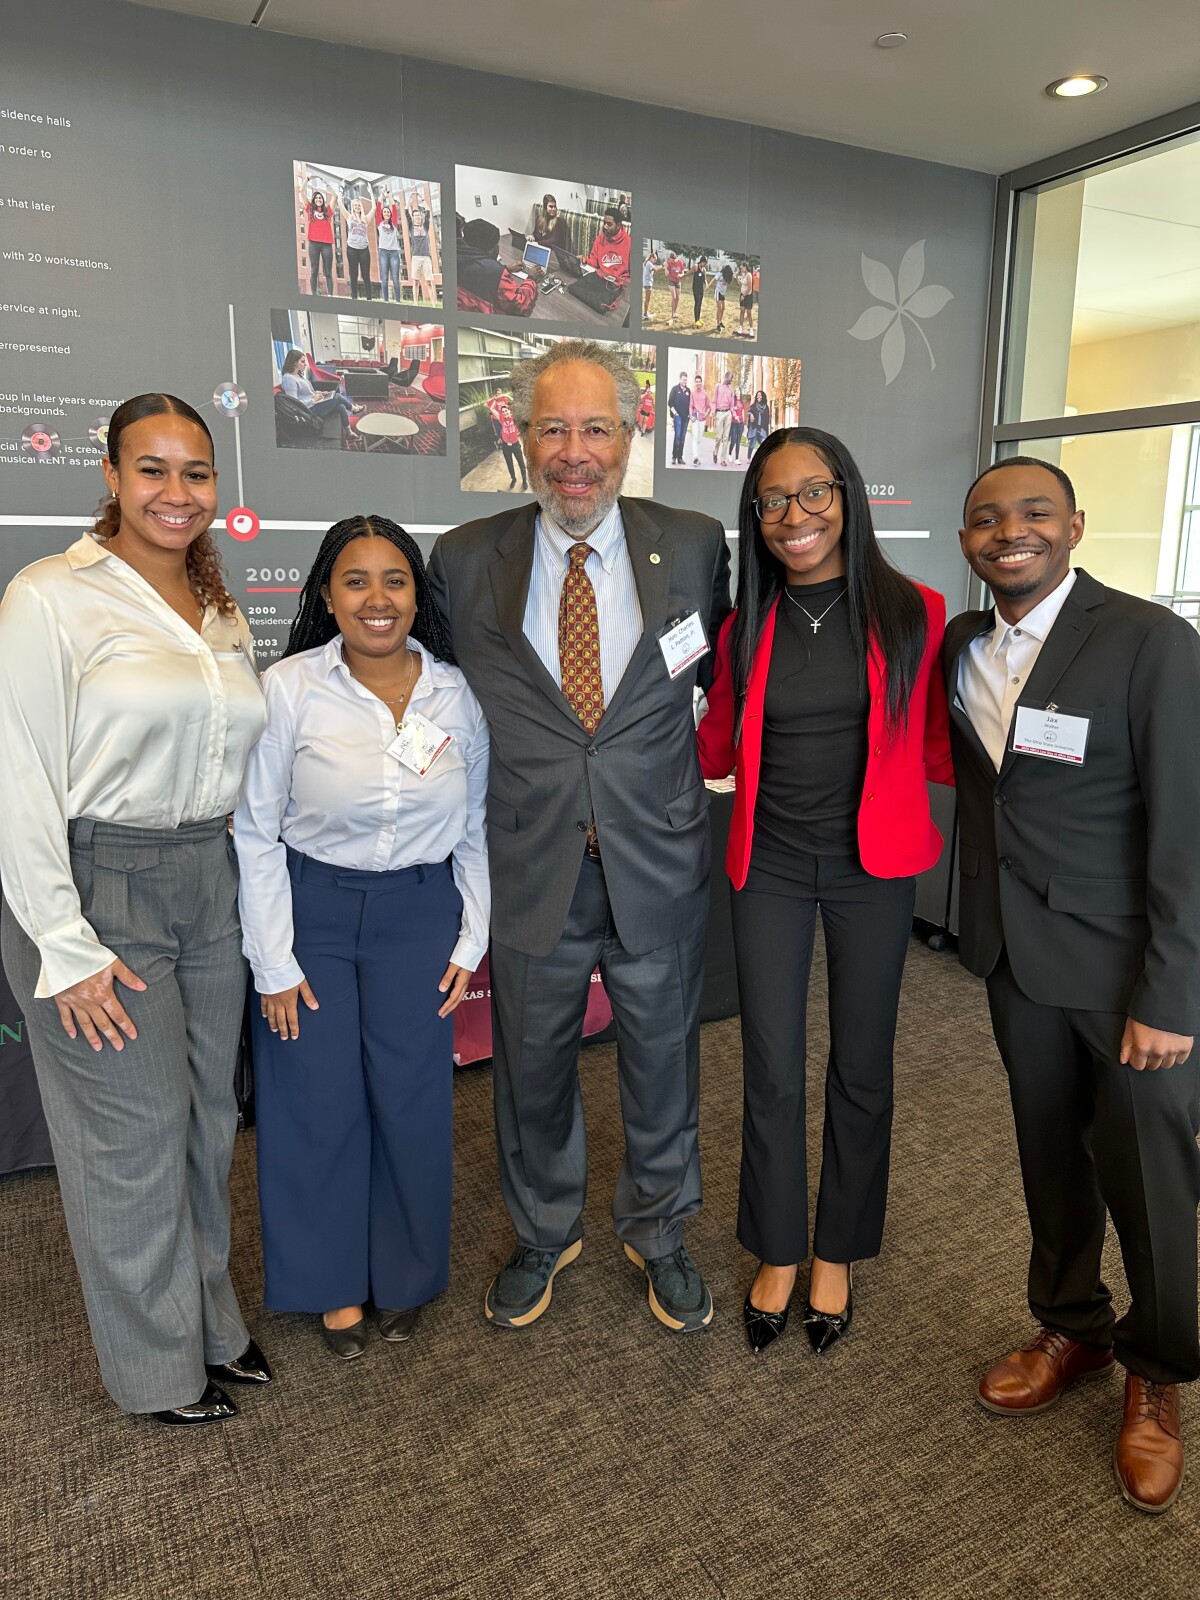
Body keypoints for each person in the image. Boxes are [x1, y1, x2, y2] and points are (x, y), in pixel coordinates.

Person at [428, 338, 732, 1335]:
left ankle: (660, 1230)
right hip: (532, 861)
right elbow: (442, 700)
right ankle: (544, 1229)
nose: (574, 452)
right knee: (533, 1069)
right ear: (521, 436)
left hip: (657, 858)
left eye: (595, 427)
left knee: (664, 1064)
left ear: (631, 435)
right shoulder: (464, 559)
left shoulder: (695, 544)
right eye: (552, 428)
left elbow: (714, 677)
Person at [0, 393, 272, 1424]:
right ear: (111, 476)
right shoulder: (49, 596)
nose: (176, 491)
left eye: (195, 471)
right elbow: (17, 775)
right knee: (132, 1137)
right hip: (98, 883)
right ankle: (155, 1370)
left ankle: (210, 1325)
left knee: (207, 1121)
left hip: (209, 878)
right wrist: (62, 945)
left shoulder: (217, 605)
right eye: (151, 469)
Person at [945, 456, 1200, 1516]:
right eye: (986, 518)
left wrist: (1174, 993)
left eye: (1035, 512)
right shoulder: (965, 647)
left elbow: (1188, 827)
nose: (1011, 531)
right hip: (1017, 959)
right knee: (1050, 1156)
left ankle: (1160, 1369)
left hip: (1131, 973)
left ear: (1076, 525)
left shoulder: (1150, 641)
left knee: (1151, 1179)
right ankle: (1072, 1325)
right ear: (967, 540)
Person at [697, 426, 952, 1356]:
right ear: (755, 515)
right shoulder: (747, 625)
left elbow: (937, 735)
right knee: (769, 1063)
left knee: (863, 1063)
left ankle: (836, 1247)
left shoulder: (914, 611)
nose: (794, 515)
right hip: (768, 864)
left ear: (846, 494)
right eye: (773, 500)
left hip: (871, 868)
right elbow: (717, 741)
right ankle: (776, 1247)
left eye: (813, 492)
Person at [234, 517, 488, 1361]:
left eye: (395, 580)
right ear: (326, 595)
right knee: (315, 1099)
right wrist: (273, 961)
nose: (377, 599)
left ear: (418, 594)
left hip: (419, 915)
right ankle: (331, 1281)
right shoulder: (290, 688)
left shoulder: (457, 694)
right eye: (356, 580)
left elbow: (476, 826)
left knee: (412, 1101)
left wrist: (471, 939)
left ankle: (406, 1275)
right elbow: (255, 831)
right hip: (311, 913)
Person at [456, 218, 537, 317]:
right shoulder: (494, 272)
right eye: (497, 244)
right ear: (491, 249)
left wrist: (506, 269)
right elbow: (520, 305)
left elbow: (479, 274)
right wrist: (532, 278)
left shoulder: (457, 256)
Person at [279, 349, 360, 435]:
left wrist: (319, 393)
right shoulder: (288, 379)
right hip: (308, 410)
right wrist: (313, 400)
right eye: (302, 362)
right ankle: (353, 409)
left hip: (313, 404)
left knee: (340, 406)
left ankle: (349, 432)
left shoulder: (298, 375)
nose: (305, 364)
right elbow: (294, 405)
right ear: (295, 363)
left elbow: (307, 393)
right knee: (337, 397)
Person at [486, 391, 528, 489]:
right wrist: (496, 399)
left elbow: (518, 406)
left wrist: (506, 395)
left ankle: (524, 480)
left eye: (506, 411)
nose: (505, 413)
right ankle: (513, 479)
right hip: (506, 446)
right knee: (509, 463)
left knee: (521, 464)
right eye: (503, 412)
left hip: (515, 445)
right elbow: (491, 409)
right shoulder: (501, 418)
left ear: (510, 411)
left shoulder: (515, 418)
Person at [337, 191, 374, 300]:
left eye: (358, 205)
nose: (357, 207)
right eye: (355, 205)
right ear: (352, 207)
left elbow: (374, 208)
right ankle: (354, 297)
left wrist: (371, 192)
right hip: (352, 249)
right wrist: (341, 190)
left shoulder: (365, 219)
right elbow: (339, 202)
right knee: (353, 274)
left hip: (364, 249)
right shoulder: (349, 217)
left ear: (361, 207)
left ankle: (369, 298)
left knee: (366, 274)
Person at [584, 208, 632, 287]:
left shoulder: (629, 243)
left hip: (619, 285)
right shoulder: (600, 238)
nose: (605, 227)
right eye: (604, 223)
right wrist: (585, 260)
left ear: (618, 225)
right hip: (600, 280)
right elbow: (594, 262)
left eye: (609, 224)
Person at [304, 188, 336, 296]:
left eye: (320, 198)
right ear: (314, 200)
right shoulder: (310, 209)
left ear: (323, 200)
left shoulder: (328, 211)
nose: (318, 199)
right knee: (314, 270)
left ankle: (330, 295)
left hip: (327, 245)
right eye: (316, 198)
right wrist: (307, 180)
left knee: (328, 272)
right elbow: (302, 191)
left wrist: (328, 185)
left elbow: (335, 196)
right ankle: (314, 295)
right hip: (313, 244)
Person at [406, 198, 436, 306]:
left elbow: (428, 212)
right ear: (413, 218)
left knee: (429, 282)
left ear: (421, 216)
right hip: (416, 257)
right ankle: (415, 303)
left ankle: (433, 304)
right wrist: (410, 198)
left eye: (419, 215)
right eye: (415, 215)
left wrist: (423, 199)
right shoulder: (411, 226)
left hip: (426, 257)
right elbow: (406, 211)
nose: (418, 216)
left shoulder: (425, 226)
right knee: (415, 281)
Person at [376, 196, 403, 303]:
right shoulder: (380, 223)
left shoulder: (394, 224)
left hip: (394, 253)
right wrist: (382, 194)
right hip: (383, 252)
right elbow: (378, 207)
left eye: (388, 212)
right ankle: (386, 300)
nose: (386, 213)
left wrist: (389, 195)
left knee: (395, 278)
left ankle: (398, 301)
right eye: (385, 212)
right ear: (382, 214)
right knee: (384, 278)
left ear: (390, 214)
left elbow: (394, 208)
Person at [711, 370, 735, 466]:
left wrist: (734, 414)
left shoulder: (731, 390)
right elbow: (714, 401)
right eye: (730, 378)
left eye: (731, 379)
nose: (731, 381)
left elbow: (732, 405)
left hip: (728, 413)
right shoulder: (718, 387)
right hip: (719, 413)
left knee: (726, 438)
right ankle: (715, 451)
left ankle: (723, 459)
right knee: (718, 437)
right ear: (726, 377)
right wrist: (713, 412)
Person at [667, 371, 690, 465]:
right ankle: (674, 457)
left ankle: (680, 458)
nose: (684, 381)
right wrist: (675, 413)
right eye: (683, 380)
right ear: (680, 379)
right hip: (678, 417)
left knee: (682, 437)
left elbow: (690, 404)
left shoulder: (688, 391)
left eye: (686, 380)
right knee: (677, 436)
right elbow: (670, 402)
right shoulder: (675, 389)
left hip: (686, 418)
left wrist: (689, 414)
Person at [687, 375, 710, 465]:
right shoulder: (692, 393)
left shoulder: (705, 394)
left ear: (701, 382)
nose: (698, 383)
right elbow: (690, 406)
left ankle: (695, 452)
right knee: (695, 437)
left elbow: (708, 407)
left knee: (699, 438)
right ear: (695, 383)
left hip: (702, 418)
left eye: (699, 381)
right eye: (696, 381)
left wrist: (706, 414)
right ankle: (695, 458)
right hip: (695, 417)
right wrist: (691, 416)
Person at [665, 251, 686, 324]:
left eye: (674, 260)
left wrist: (681, 275)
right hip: (671, 281)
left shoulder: (680, 262)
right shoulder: (669, 263)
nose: (673, 261)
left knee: (677, 298)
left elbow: (683, 272)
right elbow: (666, 274)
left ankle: (675, 312)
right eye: (672, 260)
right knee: (673, 297)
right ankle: (672, 314)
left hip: (678, 281)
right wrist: (666, 267)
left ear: (676, 258)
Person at [747, 389, 770, 455]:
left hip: (762, 428)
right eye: (757, 395)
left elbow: (767, 419)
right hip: (755, 427)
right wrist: (751, 414)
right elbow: (750, 411)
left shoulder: (766, 407)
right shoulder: (753, 406)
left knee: (763, 444)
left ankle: (761, 457)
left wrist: (767, 430)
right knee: (752, 443)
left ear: (763, 396)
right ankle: (749, 456)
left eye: (760, 395)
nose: (758, 397)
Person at [691, 257, 712, 327]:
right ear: (702, 262)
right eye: (705, 263)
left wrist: (706, 284)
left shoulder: (704, 269)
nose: (705, 265)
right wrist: (682, 276)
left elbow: (704, 279)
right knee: (697, 303)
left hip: (701, 288)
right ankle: (696, 320)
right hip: (695, 288)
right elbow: (689, 272)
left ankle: (699, 318)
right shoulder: (696, 266)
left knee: (700, 303)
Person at [714, 264, 733, 333]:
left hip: (722, 293)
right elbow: (714, 279)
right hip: (718, 292)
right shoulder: (720, 274)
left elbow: (729, 282)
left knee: (723, 308)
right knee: (719, 309)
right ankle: (718, 325)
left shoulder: (727, 276)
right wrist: (708, 285)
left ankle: (720, 321)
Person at [642, 250, 660, 323]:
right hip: (648, 283)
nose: (655, 261)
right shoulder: (649, 263)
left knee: (647, 299)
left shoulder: (646, 262)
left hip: (646, 282)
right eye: (655, 259)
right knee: (647, 299)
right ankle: (645, 314)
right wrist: (662, 266)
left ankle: (646, 312)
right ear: (651, 258)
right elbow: (656, 269)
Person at [738, 264, 756, 337]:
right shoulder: (743, 275)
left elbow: (749, 288)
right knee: (742, 311)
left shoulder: (749, 275)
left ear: (745, 267)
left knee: (749, 313)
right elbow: (740, 285)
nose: (741, 269)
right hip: (742, 294)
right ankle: (740, 327)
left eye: (742, 268)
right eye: (740, 268)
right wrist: (736, 277)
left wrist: (744, 296)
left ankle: (751, 329)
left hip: (748, 296)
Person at [729, 394, 746, 461]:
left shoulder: (742, 402)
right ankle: (730, 454)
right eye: (736, 391)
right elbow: (731, 411)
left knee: (738, 442)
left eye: (738, 391)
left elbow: (743, 413)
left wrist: (744, 423)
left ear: (740, 392)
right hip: (734, 423)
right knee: (733, 441)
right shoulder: (733, 402)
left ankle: (737, 459)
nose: (737, 392)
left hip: (740, 423)